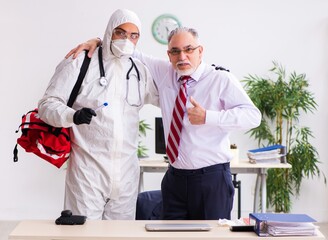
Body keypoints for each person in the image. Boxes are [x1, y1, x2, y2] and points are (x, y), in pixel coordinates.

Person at [66, 27, 261, 220]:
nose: (182, 56)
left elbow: (253, 116)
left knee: (211, 236)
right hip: (175, 179)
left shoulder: (220, 79)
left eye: (189, 49)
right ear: (169, 54)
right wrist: (99, 42)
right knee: (170, 235)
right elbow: (129, 50)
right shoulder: (165, 71)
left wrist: (208, 117)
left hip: (211, 179)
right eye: (175, 51)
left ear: (200, 51)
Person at [38, 9, 159, 220]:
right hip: (87, 172)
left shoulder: (139, 71)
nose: (127, 39)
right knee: (84, 234)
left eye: (133, 35)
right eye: (120, 33)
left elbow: (166, 98)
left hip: (126, 175)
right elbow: (47, 105)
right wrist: (72, 116)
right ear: (109, 31)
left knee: (121, 235)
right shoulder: (80, 62)